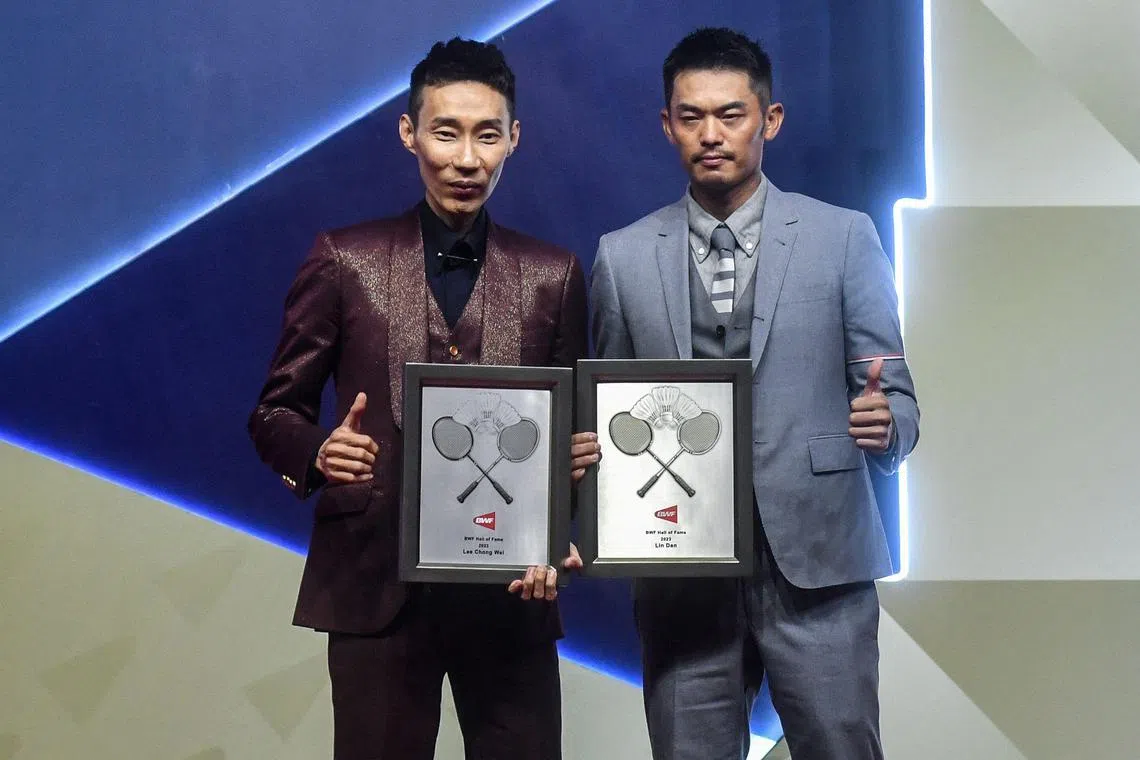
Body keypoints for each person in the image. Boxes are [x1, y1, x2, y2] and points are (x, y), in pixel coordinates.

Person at [248, 37, 600, 760]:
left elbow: (573, 440)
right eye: (446, 132)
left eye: (486, 135)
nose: (466, 159)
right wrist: (320, 448)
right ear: (409, 133)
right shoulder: (343, 258)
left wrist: (560, 533)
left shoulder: (553, 275)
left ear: (514, 140)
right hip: (374, 587)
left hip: (512, 596)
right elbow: (274, 412)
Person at [588, 27, 920, 760]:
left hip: (820, 561)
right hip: (681, 569)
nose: (712, 134)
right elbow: (609, 413)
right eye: (692, 116)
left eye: (731, 114)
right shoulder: (623, 255)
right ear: (667, 124)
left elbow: (897, 398)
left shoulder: (844, 238)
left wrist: (887, 424)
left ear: (769, 120)